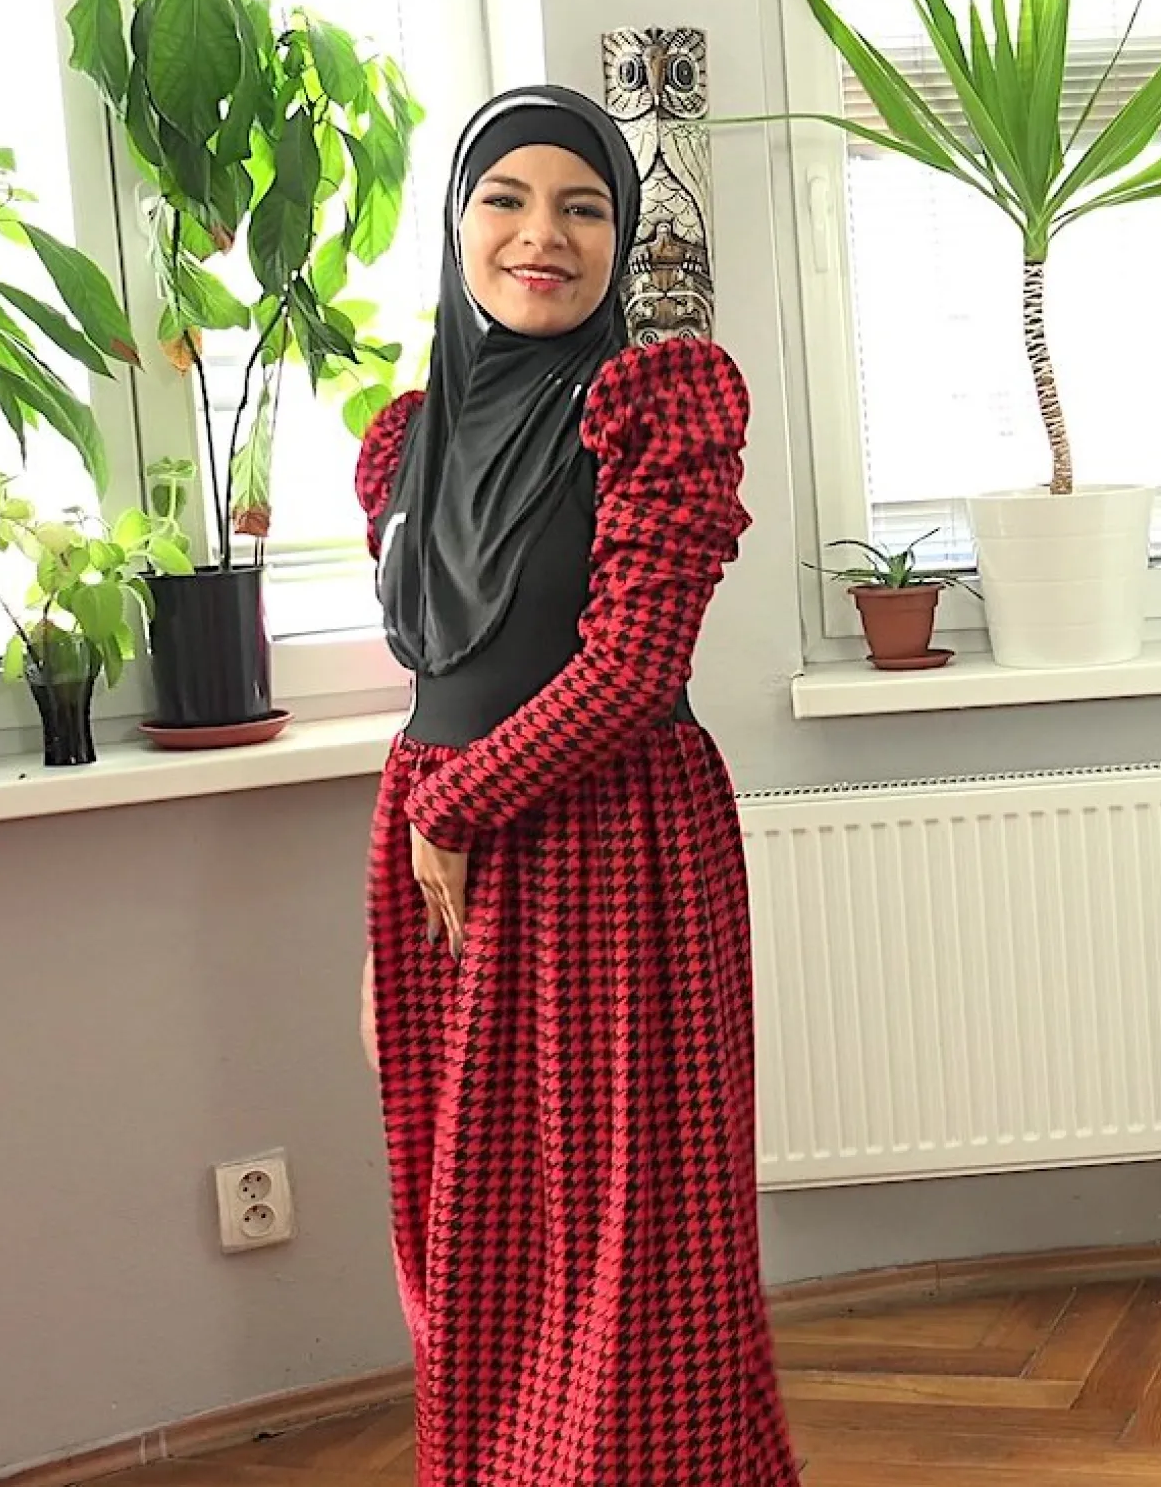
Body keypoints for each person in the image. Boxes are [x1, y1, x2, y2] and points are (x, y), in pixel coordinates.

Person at [354, 84, 797, 1487]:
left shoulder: (661, 406)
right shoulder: (405, 437)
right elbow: (436, 679)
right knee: (472, 1239)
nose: (542, 235)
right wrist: (385, 921)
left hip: (615, 850)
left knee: (631, 1247)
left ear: (620, 236)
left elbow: (632, 667)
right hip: (442, 866)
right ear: (457, 225)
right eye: (506, 199)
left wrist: (449, 807)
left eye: (584, 207)